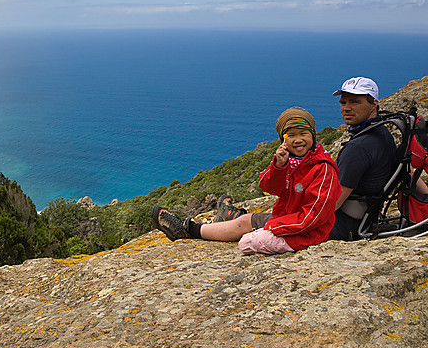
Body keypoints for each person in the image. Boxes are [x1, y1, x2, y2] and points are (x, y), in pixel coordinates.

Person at [151, 107, 341, 255]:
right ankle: (187, 229)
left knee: (247, 242)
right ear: (283, 140)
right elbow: (268, 186)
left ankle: (226, 218)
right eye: (290, 135)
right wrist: (279, 167)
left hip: (307, 233)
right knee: (244, 222)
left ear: (313, 136)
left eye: (304, 134)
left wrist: (273, 227)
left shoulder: (323, 168)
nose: (298, 140)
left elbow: (314, 217)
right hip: (287, 221)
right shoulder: (292, 162)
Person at [328, 77, 399, 241]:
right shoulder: (382, 134)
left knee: (257, 220)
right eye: (343, 102)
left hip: (342, 226)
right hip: (365, 221)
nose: (346, 108)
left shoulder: (359, 147)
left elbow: (334, 202)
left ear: (374, 104)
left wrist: (299, 217)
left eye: (355, 102)